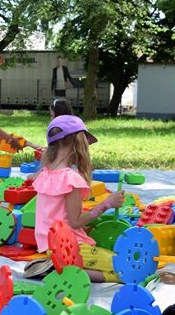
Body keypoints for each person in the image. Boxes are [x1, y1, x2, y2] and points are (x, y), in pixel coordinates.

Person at [32, 115, 125, 282]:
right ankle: (60, 270)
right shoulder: (70, 178)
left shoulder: (45, 173)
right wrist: (107, 203)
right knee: (125, 268)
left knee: (113, 261)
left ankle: (60, 266)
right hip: (70, 246)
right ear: (78, 142)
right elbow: (75, 222)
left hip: (50, 248)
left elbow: (58, 216)